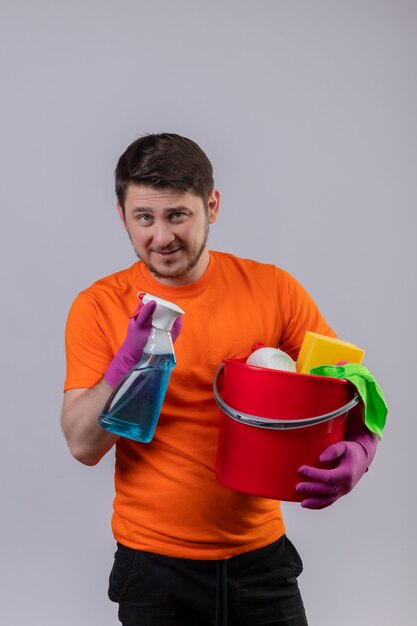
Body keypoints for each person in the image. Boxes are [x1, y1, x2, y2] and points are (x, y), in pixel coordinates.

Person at [61, 133, 379, 626]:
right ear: (122, 215)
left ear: (212, 205)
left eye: (178, 215)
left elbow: (345, 385)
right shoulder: (98, 305)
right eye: (144, 217)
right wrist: (122, 370)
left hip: (262, 562)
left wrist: (363, 445)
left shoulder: (273, 290)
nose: (161, 237)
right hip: (153, 569)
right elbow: (83, 445)